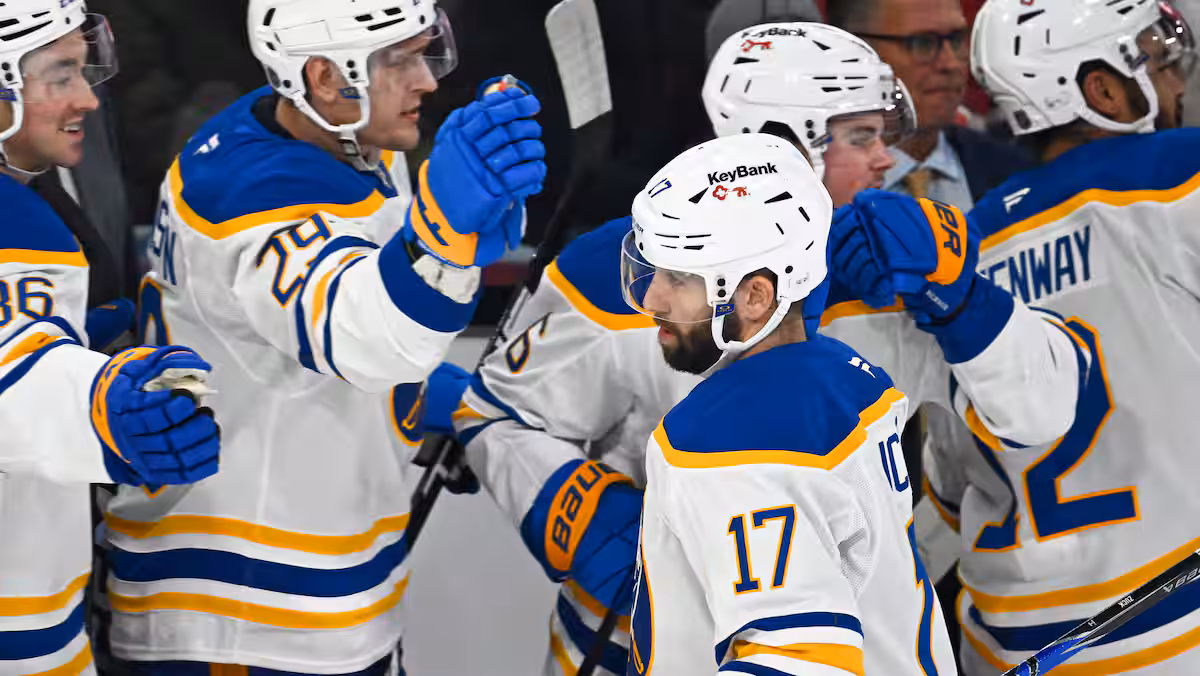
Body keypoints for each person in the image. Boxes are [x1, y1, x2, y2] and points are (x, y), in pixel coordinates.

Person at [447, 22, 1082, 675]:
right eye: (860, 136)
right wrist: (581, 516)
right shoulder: (626, 274)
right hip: (631, 649)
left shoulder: (904, 270)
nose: (887, 159)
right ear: (783, 145)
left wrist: (965, 299)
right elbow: (493, 414)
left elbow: (1043, 412)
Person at [100, 0, 546, 672]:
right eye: (398, 61)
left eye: (427, 51)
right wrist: (444, 229)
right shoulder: (257, 197)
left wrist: (423, 397)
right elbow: (374, 339)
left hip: (306, 602)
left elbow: (330, 309)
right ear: (324, 76)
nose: (427, 80)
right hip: (243, 616)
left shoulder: (320, 135)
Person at [906, 0, 1200, 673]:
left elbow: (947, 490)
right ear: (1102, 91)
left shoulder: (957, 253)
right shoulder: (1180, 174)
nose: (1175, 81)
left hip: (1008, 644)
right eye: (1156, 60)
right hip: (1179, 629)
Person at [622, 131, 958, 675]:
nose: (653, 297)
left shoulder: (726, 439)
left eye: (679, 277)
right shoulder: (845, 375)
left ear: (755, 296)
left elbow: (800, 661)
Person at [0, 2, 222, 673]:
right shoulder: (18, 223)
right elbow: (15, 382)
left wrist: (78, 354)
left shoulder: (35, 194)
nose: (87, 100)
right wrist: (95, 401)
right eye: (60, 75)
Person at [826, 0, 1034, 209]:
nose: (951, 63)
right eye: (923, 43)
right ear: (852, 51)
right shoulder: (814, 189)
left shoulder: (1017, 175)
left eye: (956, 39)